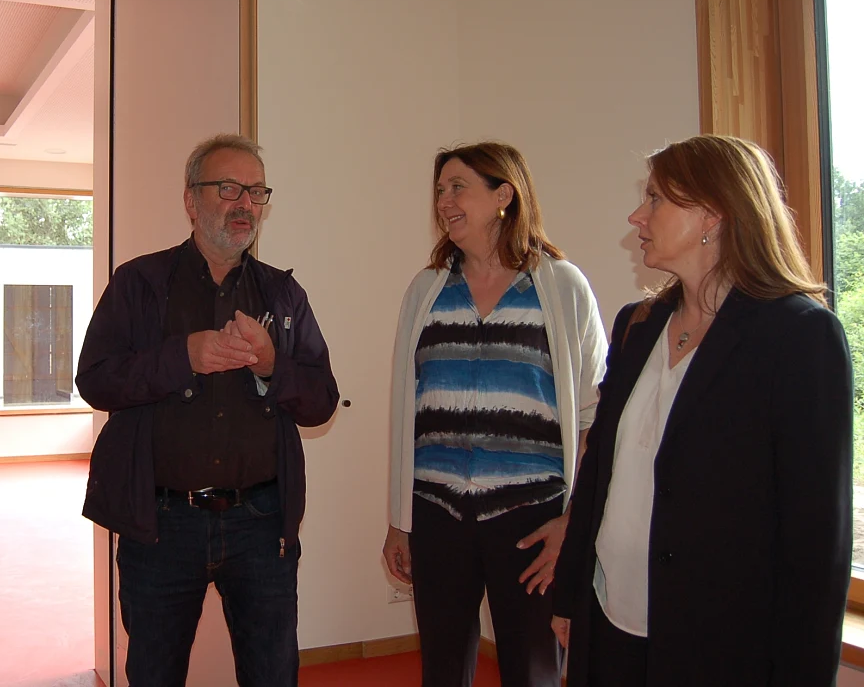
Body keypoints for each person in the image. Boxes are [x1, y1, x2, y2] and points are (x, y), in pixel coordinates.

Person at [551, 134, 853, 687]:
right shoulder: (637, 325)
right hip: (609, 622)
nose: (637, 216)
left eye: (657, 199)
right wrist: (570, 593)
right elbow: (599, 474)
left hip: (717, 644)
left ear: (713, 212)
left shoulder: (799, 336)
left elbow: (816, 537)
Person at [76, 134, 339, 687]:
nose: (245, 203)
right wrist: (183, 356)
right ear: (191, 201)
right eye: (228, 188)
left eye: (256, 191)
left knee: (272, 674)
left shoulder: (284, 296)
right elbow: (95, 380)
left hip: (263, 528)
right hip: (161, 527)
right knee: (153, 673)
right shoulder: (138, 284)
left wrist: (273, 366)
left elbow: (320, 401)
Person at [383, 141, 608, 687]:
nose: (444, 200)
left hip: (531, 520)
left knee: (532, 670)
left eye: (458, 186)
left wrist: (573, 523)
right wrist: (399, 520)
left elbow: (595, 417)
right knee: (442, 668)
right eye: (439, 190)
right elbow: (405, 412)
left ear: (504, 194)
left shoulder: (560, 286)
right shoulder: (427, 290)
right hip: (437, 516)